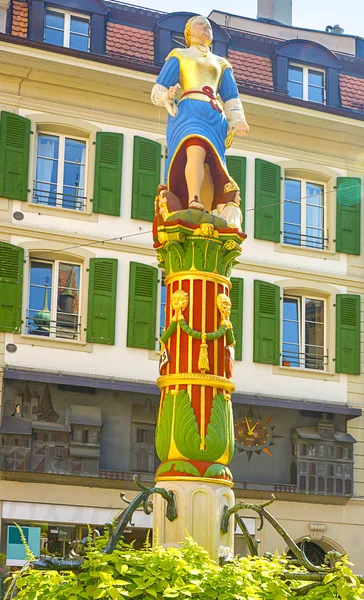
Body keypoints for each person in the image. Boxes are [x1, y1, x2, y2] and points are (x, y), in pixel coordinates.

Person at [151, 15, 249, 227]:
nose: (206, 28)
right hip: (190, 110)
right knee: (195, 149)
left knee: (210, 164)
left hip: (214, 115)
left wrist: (237, 119)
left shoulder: (221, 63)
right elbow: (157, 90)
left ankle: (206, 206)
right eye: (200, 24)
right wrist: (168, 97)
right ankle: (193, 199)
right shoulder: (180, 55)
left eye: (208, 26)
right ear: (188, 32)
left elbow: (231, 96)